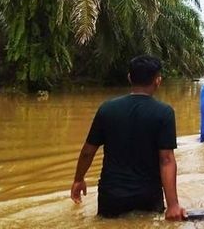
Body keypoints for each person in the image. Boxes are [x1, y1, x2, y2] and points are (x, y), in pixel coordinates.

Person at [70, 55, 186, 220]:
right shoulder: (164, 112)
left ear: (130, 77)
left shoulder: (107, 109)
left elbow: (88, 151)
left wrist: (78, 179)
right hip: (148, 195)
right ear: (158, 80)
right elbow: (166, 160)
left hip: (112, 195)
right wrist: (173, 205)